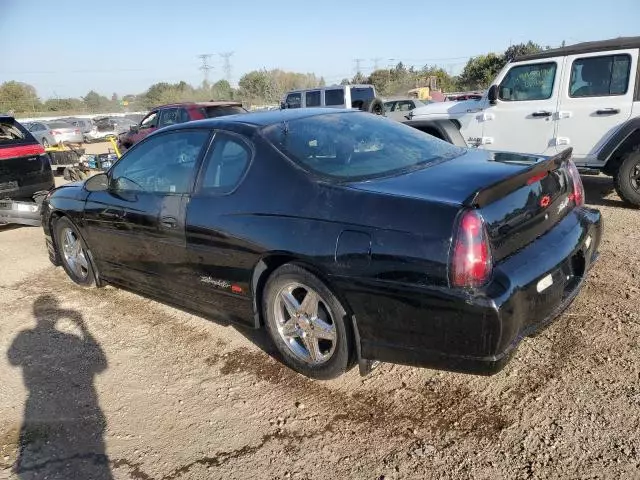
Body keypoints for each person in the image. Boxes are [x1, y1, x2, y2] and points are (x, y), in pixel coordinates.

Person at [8, 295, 112, 480]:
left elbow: (13, 358)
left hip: (39, 402)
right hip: (77, 403)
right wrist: (82, 326)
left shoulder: (25, 336)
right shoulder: (71, 338)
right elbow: (101, 364)